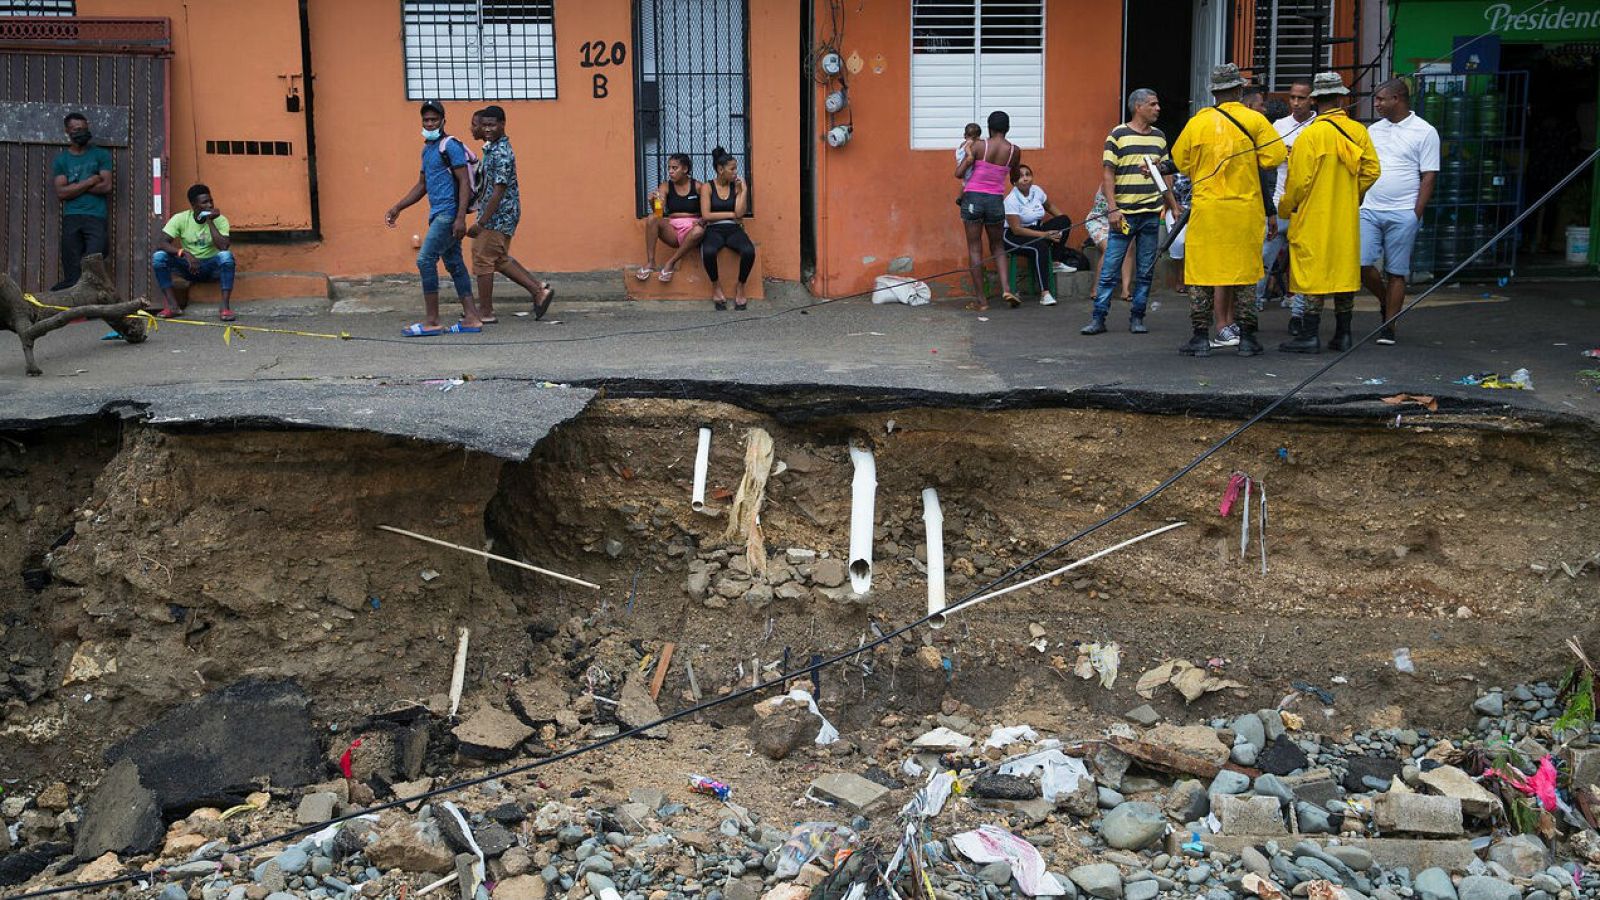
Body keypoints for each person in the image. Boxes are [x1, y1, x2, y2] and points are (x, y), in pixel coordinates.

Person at [1170, 64, 1286, 357]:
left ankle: (1200, 338)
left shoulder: (1198, 122)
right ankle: (1247, 339)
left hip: (1207, 210)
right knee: (1245, 275)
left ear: (1215, 93)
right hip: (1243, 210)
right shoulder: (1255, 120)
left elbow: (1181, 162)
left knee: (1200, 275)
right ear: (1239, 90)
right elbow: (1274, 157)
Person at [1277, 71, 1381, 354]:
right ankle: (1343, 335)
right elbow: (1372, 170)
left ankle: (1310, 335)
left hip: (1313, 217)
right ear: (1340, 98)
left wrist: (1286, 207)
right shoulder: (1358, 132)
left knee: (1313, 275)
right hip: (1345, 219)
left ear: (1315, 100)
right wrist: (1351, 195)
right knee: (1344, 273)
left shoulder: (1310, 136)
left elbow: (1298, 182)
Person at [385, 100, 484, 336]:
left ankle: (432, 321)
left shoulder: (450, 146)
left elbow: (463, 182)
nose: (430, 123)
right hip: (438, 214)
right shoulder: (427, 150)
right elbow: (422, 186)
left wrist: (460, 218)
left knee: (425, 260)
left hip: (448, 215)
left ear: (443, 121)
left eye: (434, 119)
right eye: (426, 120)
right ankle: (471, 318)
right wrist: (398, 207)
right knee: (454, 263)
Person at [1083, 88, 1174, 335]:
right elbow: (1108, 174)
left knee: (1145, 269)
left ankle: (1137, 317)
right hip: (1124, 214)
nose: (1158, 108)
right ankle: (1098, 318)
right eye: (1153, 104)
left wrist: (1170, 204)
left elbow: (1165, 172)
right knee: (1110, 268)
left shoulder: (1160, 137)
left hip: (1151, 214)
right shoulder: (1118, 135)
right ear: (1138, 107)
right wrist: (1112, 209)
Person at [1360, 78, 1439, 345]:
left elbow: (1428, 176)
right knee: (1360, 264)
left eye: (1381, 99)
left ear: (1398, 99)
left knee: (1396, 271)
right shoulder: (1373, 130)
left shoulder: (1425, 131)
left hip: (1403, 211)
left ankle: (1389, 326)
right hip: (1369, 208)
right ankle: (1385, 301)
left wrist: (1415, 213)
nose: (1377, 104)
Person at [468, 106, 555, 323]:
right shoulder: (493, 148)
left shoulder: (502, 152)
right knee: (498, 258)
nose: (487, 129)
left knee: (483, 258)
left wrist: (482, 221)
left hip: (499, 214)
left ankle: (486, 312)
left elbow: (499, 189)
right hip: (497, 212)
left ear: (503, 124)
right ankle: (538, 291)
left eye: (492, 125)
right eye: (484, 125)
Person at [955, 110, 1021, 311]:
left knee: (975, 248)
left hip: (973, 198)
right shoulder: (1014, 151)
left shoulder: (978, 146)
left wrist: (968, 158)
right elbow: (1014, 177)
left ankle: (982, 301)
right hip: (995, 201)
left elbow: (958, 174)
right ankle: (1007, 289)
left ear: (989, 128)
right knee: (998, 246)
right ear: (1007, 128)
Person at [1269, 78, 1315, 332]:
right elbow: (1268, 161)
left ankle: (1298, 316)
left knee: (1301, 266)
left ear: (1312, 99)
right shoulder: (1279, 126)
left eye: (1302, 98)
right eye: (1293, 97)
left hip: (1307, 206)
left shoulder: (1319, 126)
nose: (1296, 103)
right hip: (1279, 202)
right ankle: (1249, 317)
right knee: (1264, 260)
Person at [150, 184, 235, 320]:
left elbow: (223, 246)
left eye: (211, 201)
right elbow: (161, 243)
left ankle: (225, 307)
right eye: (204, 202)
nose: (210, 205)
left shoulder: (221, 220)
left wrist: (209, 221)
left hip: (211, 268)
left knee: (226, 256)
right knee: (158, 257)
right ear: (193, 205)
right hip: (189, 267)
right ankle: (173, 306)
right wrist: (184, 253)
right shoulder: (180, 219)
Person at [51, 112, 113, 291]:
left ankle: (94, 307)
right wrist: (90, 181)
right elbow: (61, 193)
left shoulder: (101, 155)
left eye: (84, 129)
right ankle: (73, 308)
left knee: (94, 261)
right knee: (72, 267)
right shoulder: (62, 160)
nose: (81, 132)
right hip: (72, 217)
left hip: (96, 216)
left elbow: (106, 186)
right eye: (77, 129)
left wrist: (74, 187)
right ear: (67, 131)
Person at [1001, 165, 1072, 306]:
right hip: (1013, 236)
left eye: (1028, 174)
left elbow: (1050, 207)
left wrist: (1061, 226)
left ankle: (1055, 261)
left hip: (1035, 229)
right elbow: (1016, 229)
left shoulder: (1037, 191)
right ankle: (1045, 294)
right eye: (1021, 176)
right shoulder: (1011, 200)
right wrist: (1044, 235)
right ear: (1014, 181)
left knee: (1064, 220)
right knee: (1040, 247)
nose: (1025, 178)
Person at [699, 146, 756, 311]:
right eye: (732, 169)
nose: (735, 172)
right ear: (720, 169)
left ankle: (741, 286)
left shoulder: (735, 186)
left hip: (733, 230)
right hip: (713, 230)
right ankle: (716, 286)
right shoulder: (707, 187)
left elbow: (739, 213)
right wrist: (731, 214)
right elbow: (706, 216)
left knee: (749, 251)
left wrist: (743, 191)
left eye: (736, 168)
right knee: (709, 252)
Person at [637, 153, 705, 283]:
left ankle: (671, 263)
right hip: (673, 230)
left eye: (674, 168)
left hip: (692, 231)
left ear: (685, 169)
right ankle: (651, 262)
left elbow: (707, 211)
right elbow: (658, 213)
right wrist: (653, 202)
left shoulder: (698, 187)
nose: (670, 171)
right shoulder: (665, 186)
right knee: (652, 218)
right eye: (669, 168)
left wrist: (702, 221)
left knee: (699, 230)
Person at [1084, 188, 1135, 302]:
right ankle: (1096, 288)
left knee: (1129, 247)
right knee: (1109, 249)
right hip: (1099, 220)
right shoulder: (1108, 183)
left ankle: (1126, 290)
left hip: (1121, 221)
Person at [954, 122, 982, 201]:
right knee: (969, 179)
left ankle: (960, 197)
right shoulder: (971, 142)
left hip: (960, 160)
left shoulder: (963, 143)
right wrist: (970, 155)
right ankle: (960, 197)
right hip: (966, 162)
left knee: (965, 182)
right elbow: (967, 148)